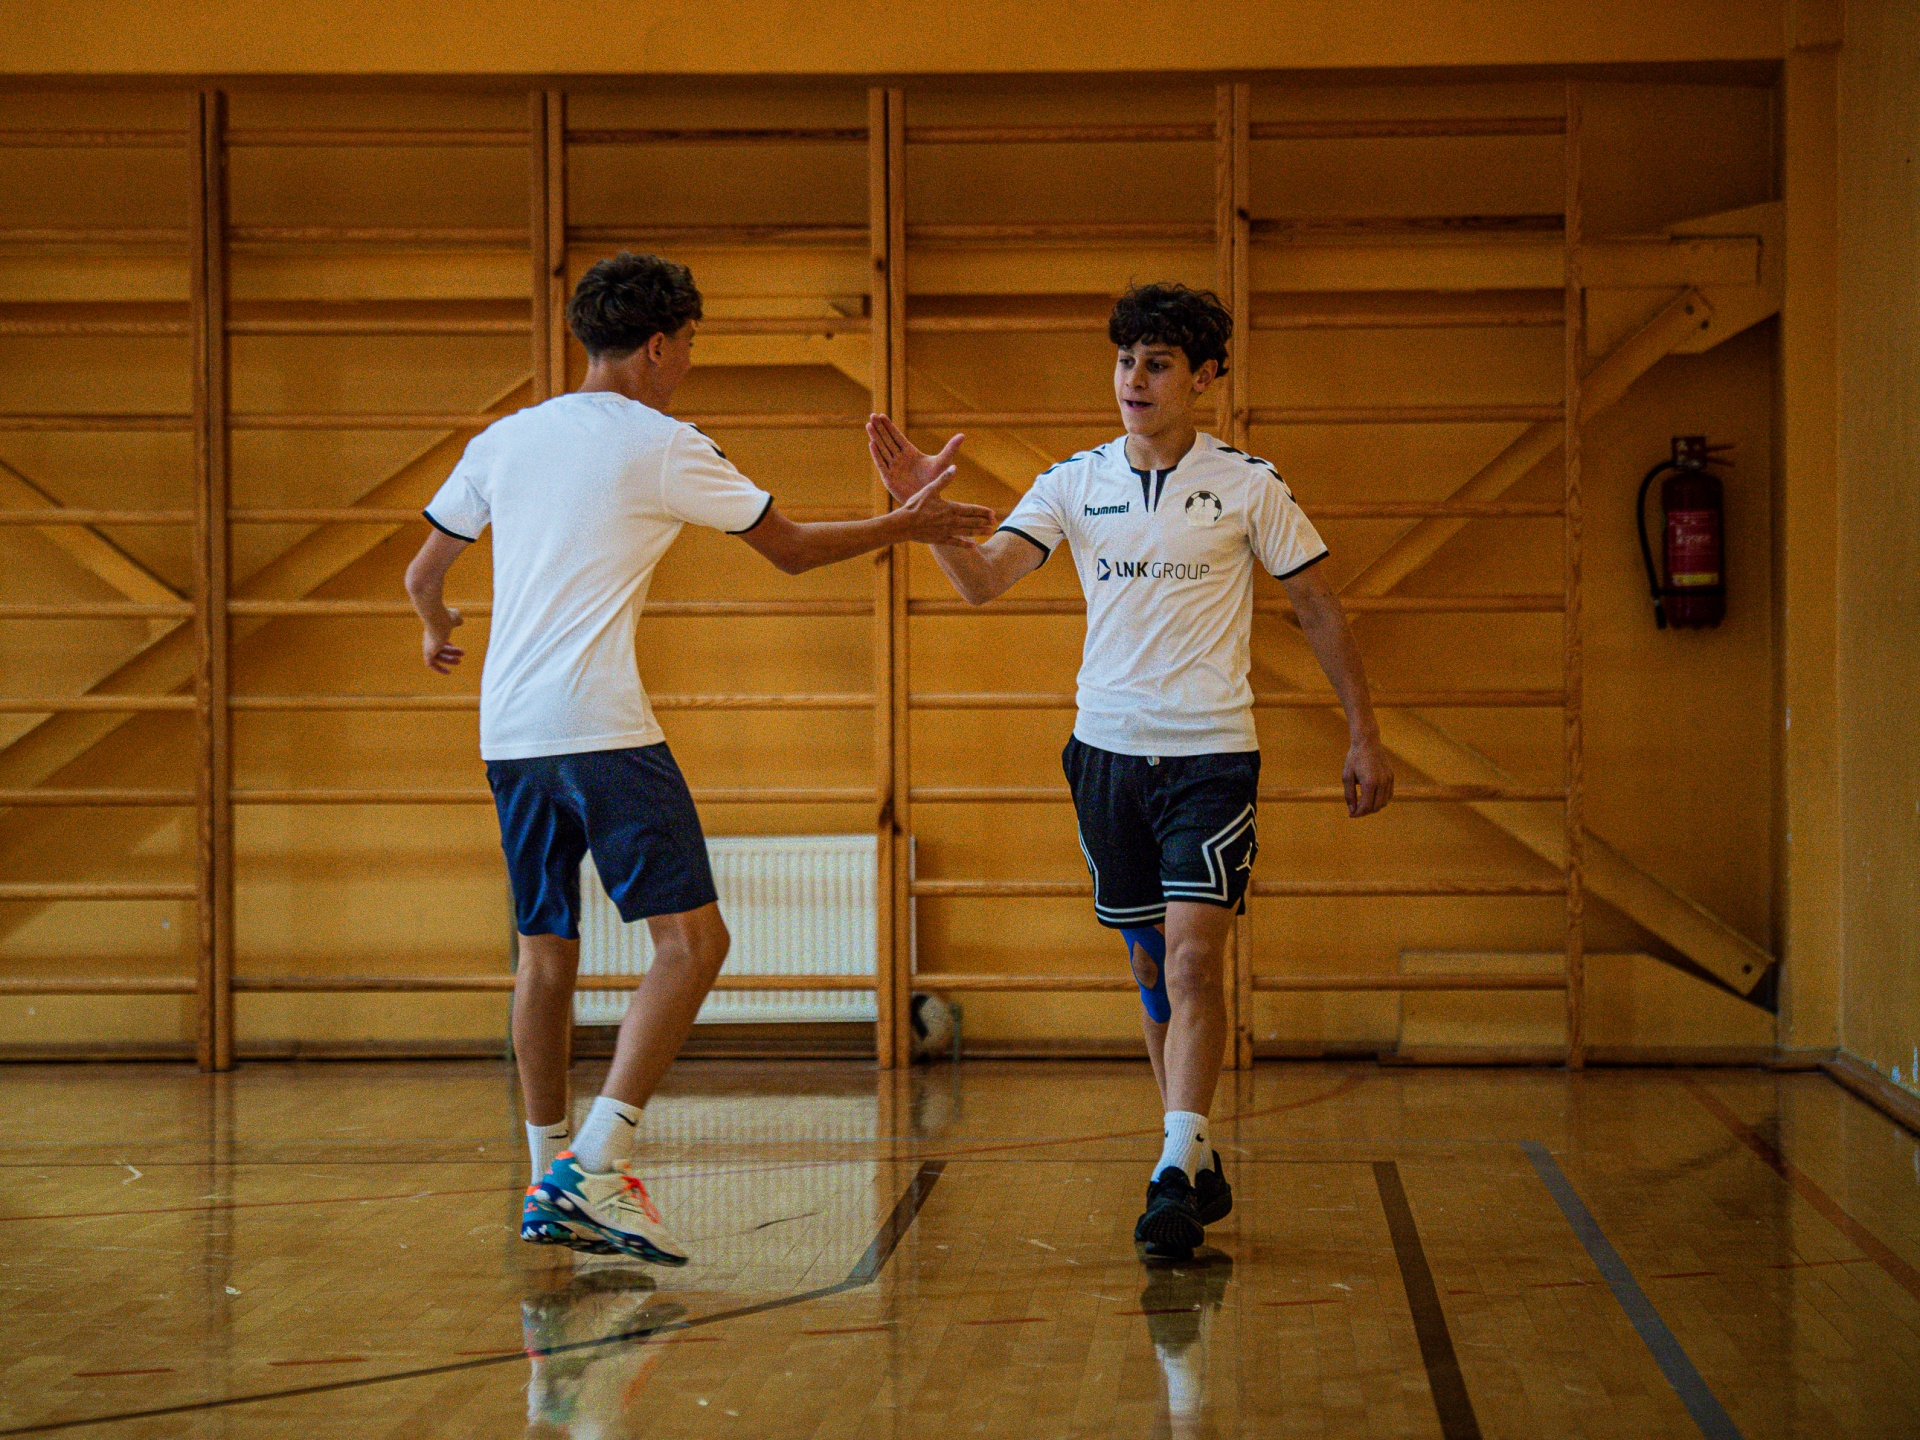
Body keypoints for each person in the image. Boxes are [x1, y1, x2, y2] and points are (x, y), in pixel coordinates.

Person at [405, 251, 994, 1264]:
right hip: (602, 731)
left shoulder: (505, 438)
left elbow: (424, 570)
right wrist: (908, 524)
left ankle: (548, 1173)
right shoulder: (663, 444)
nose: (686, 365)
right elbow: (793, 550)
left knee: (545, 955)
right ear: (657, 346)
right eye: (686, 347)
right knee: (694, 944)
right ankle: (594, 1165)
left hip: (510, 736)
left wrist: (437, 625)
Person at [866, 281, 1393, 1259]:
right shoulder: (1073, 481)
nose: (1134, 380)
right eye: (1124, 361)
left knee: (1193, 959)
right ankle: (1190, 1152)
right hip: (1105, 758)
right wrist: (921, 514)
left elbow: (1318, 608)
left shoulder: (1249, 485)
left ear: (1204, 378)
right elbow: (983, 582)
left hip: (1210, 757)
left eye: (1157, 363)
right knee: (1149, 963)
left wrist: (1364, 731)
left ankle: (1170, 1175)